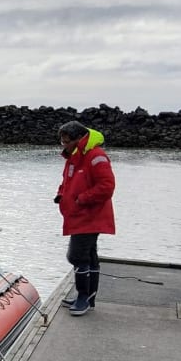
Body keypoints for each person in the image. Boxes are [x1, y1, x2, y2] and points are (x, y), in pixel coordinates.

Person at [54, 120, 116, 316]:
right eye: (62, 142)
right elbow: (67, 181)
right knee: (88, 255)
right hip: (78, 215)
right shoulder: (75, 156)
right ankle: (88, 297)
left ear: (79, 139)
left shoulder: (96, 156)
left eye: (66, 142)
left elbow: (107, 187)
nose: (64, 145)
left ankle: (84, 296)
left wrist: (82, 199)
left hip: (90, 216)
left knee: (77, 256)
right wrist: (61, 195)